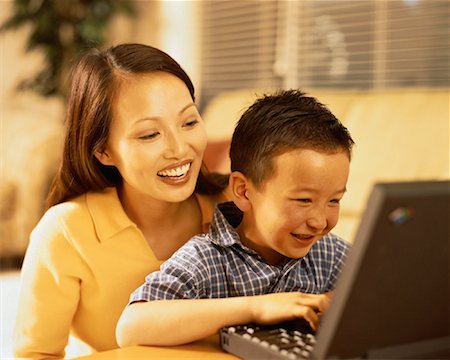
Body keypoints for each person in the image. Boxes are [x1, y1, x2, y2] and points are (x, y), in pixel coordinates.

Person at [13, 43, 230, 359]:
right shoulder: (66, 232)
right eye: (149, 135)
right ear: (103, 151)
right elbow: (35, 354)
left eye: (189, 122)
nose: (180, 148)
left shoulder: (240, 208)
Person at [116, 89, 355, 347]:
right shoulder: (206, 259)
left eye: (334, 200)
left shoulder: (332, 255)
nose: (320, 222)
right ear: (243, 191)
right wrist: (255, 308)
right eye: (303, 200)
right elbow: (131, 328)